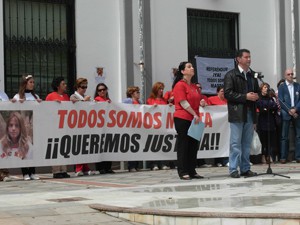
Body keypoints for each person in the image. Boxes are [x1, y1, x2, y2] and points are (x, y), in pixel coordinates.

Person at [224, 49, 259, 178]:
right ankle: (233, 169)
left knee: (246, 142)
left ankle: (245, 168)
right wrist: (245, 97)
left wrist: (257, 96)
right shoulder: (231, 75)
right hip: (237, 113)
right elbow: (228, 93)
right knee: (235, 143)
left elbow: (256, 92)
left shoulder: (252, 75)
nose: (249, 59)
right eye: (246, 57)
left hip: (250, 112)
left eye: (250, 57)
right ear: (238, 59)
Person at [172, 61, 205, 180]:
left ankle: (192, 170)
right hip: (183, 118)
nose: (192, 68)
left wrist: (202, 102)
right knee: (183, 145)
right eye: (189, 67)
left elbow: (199, 99)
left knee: (193, 145)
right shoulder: (180, 85)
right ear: (182, 71)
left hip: (194, 119)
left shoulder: (195, 87)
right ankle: (183, 171)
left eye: (192, 66)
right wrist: (194, 113)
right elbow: (183, 102)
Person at [13, 74, 41, 181]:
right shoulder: (18, 96)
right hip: (22, 126)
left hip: (33, 126)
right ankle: (25, 173)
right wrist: (14, 102)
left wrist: (40, 103)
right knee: (24, 148)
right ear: (25, 83)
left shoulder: (36, 96)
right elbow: (13, 107)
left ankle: (32, 172)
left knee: (33, 148)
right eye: (31, 82)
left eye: (33, 82)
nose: (33, 84)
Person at [45, 77, 71, 179]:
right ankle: (56, 170)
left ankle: (64, 170)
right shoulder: (50, 96)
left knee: (64, 147)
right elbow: (45, 109)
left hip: (64, 125)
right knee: (56, 147)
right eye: (63, 84)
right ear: (58, 86)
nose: (65, 86)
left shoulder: (66, 96)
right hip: (54, 125)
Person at [70, 78, 95, 176]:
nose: (84, 89)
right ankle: (78, 168)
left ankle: (85, 168)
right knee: (78, 146)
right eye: (82, 87)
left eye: (86, 86)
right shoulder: (73, 95)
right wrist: (84, 100)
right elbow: (74, 103)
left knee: (84, 146)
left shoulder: (86, 96)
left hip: (85, 124)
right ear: (77, 87)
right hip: (76, 124)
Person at [278, 68, 300, 164]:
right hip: (286, 113)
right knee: (284, 136)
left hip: (296, 113)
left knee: (298, 136)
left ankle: (298, 156)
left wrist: (295, 109)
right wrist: (289, 110)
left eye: (292, 74)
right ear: (285, 76)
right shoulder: (282, 87)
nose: (291, 76)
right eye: (288, 74)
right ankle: (283, 157)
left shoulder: (298, 86)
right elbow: (281, 101)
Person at [146, 82, 170, 170]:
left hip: (163, 126)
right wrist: (152, 107)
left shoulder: (164, 100)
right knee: (154, 144)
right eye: (160, 89)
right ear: (155, 89)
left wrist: (169, 106)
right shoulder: (150, 100)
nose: (161, 90)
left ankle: (163, 163)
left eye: (162, 89)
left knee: (162, 144)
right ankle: (154, 164)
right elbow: (146, 111)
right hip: (154, 126)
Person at [94, 83, 115, 174]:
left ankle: (108, 167)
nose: (102, 91)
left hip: (108, 127)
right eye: (99, 90)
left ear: (106, 90)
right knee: (99, 148)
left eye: (103, 89)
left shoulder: (109, 100)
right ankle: (100, 167)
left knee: (108, 147)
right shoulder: (96, 100)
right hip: (99, 127)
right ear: (97, 92)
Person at [207, 86, 229, 167]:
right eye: (222, 91)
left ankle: (225, 161)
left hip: (225, 126)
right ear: (217, 92)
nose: (223, 93)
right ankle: (217, 161)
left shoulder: (227, 101)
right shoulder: (211, 99)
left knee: (224, 142)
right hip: (215, 125)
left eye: (224, 91)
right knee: (216, 142)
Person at [256, 82, 278, 164]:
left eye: (267, 87)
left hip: (270, 121)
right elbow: (261, 108)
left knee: (270, 140)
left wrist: (267, 108)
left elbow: (274, 107)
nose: (266, 89)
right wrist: (268, 108)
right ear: (261, 89)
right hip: (263, 121)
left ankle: (269, 155)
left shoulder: (271, 98)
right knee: (263, 140)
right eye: (265, 87)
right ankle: (263, 156)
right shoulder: (259, 98)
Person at [122, 86, 142, 172]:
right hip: (130, 126)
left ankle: (136, 165)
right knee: (132, 146)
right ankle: (131, 166)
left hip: (138, 126)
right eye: (137, 92)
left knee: (138, 146)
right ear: (132, 93)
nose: (139, 94)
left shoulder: (140, 102)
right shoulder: (127, 101)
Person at [0, 91, 16, 182]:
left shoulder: (3, 94)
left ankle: (4, 173)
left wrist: (11, 102)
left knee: (3, 149)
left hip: (2, 126)